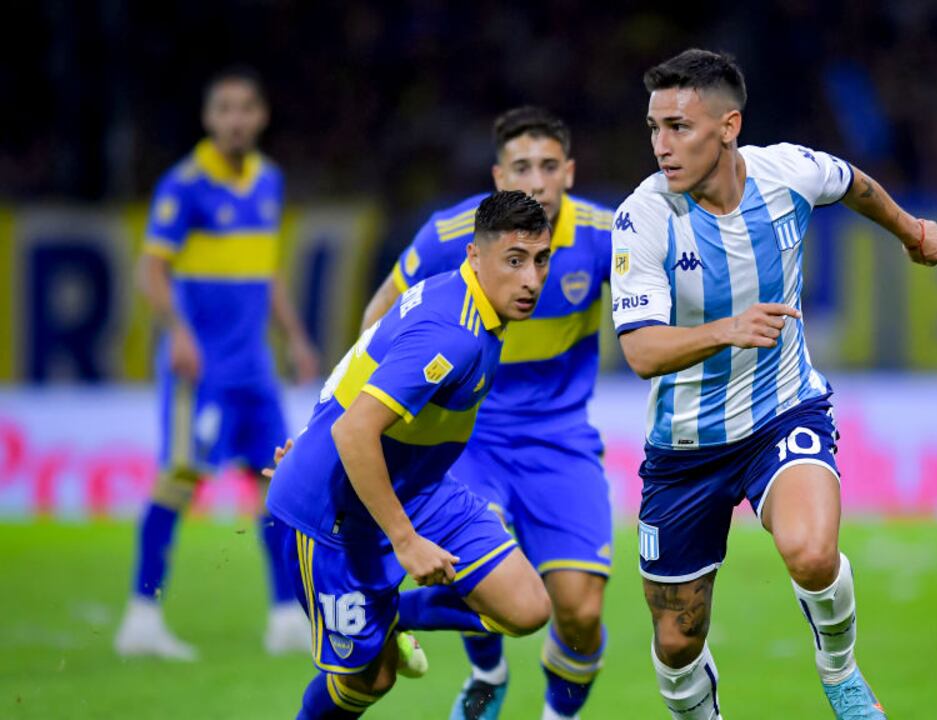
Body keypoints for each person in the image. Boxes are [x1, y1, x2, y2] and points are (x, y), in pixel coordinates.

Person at [610, 49, 937, 719]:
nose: (662, 147)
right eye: (654, 128)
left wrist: (910, 231)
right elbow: (642, 352)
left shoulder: (785, 172)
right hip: (685, 450)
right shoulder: (642, 218)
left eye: (679, 127)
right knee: (678, 643)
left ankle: (841, 673)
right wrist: (725, 329)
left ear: (729, 126)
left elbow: (851, 183)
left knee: (813, 553)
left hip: (781, 410)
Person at [361, 106, 614, 720]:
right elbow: (376, 322)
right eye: (521, 167)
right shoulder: (452, 236)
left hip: (561, 439)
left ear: (570, 173)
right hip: (468, 439)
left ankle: (558, 714)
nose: (535, 180)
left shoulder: (607, 234)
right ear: (499, 175)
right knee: (478, 575)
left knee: (579, 611)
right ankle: (487, 671)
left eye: (549, 166)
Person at [265, 191, 554, 719]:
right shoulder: (453, 335)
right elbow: (355, 432)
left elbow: (359, 364)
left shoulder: (460, 300)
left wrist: (310, 430)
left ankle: (391, 616)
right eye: (514, 261)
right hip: (334, 513)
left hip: (417, 486)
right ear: (474, 255)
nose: (531, 279)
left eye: (540, 260)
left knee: (528, 607)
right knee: (370, 680)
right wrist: (407, 543)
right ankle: (379, 627)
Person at [115, 65, 320, 660]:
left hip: (253, 367)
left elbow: (267, 268)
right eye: (224, 109)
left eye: (245, 108)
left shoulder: (269, 181)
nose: (235, 120)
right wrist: (178, 332)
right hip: (199, 367)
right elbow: (148, 269)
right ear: (209, 119)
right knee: (179, 479)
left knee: (275, 484)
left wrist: (297, 337)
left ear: (260, 117)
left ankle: (287, 615)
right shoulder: (185, 185)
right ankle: (141, 615)